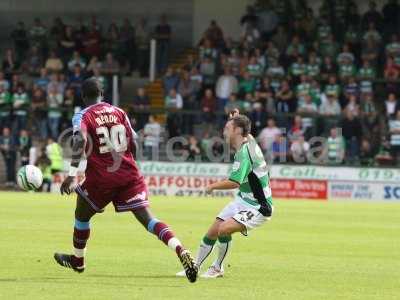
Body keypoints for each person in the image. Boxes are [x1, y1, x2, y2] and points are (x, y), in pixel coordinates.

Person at [54, 78, 198, 283]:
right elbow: (134, 141)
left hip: (101, 179)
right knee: (149, 219)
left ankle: (78, 261)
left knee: (81, 215)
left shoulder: (83, 115)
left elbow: (80, 140)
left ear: (84, 97)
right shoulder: (119, 112)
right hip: (129, 175)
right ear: (102, 94)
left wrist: (71, 175)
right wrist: (131, 167)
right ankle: (179, 248)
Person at [177, 110, 273, 278]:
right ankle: (194, 267)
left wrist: (211, 187)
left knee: (224, 229)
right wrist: (235, 118)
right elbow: (247, 131)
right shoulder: (248, 142)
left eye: (227, 127)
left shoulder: (244, 153)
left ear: (237, 131)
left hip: (259, 206)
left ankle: (217, 268)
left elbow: (235, 182)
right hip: (242, 200)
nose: (223, 131)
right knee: (212, 232)